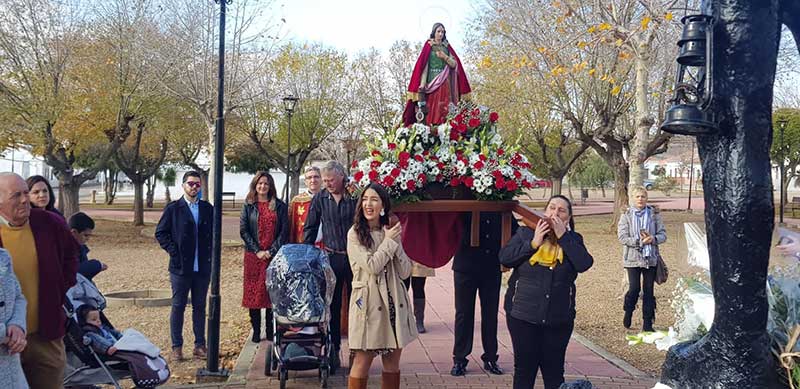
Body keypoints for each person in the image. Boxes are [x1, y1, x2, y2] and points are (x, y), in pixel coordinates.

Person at [499, 195, 593, 389]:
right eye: (552, 208)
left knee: (554, 373)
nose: (555, 213)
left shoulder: (574, 240)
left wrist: (563, 237)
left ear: (568, 218)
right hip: (523, 315)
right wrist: (533, 244)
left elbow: (584, 263)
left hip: (558, 319)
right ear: (544, 212)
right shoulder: (525, 233)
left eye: (561, 210)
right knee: (524, 372)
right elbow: (505, 258)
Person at [0, 172, 79, 389]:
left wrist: (57, 291)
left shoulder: (49, 223)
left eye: (26, 193)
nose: (25, 199)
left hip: (45, 336)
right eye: (16, 195)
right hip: (3, 341)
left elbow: (72, 257)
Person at [346, 183, 416, 389]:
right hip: (368, 304)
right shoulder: (355, 234)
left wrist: (395, 242)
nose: (369, 204)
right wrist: (389, 242)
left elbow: (405, 272)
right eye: (365, 199)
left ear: (383, 205)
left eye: (374, 199)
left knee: (392, 364)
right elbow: (372, 266)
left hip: (394, 303)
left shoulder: (389, 232)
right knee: (362, 361)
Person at [303, 160, 356, 371]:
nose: (327, 184)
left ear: (342, 177)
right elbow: (310, 227)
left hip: (355, 258)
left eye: (331, 180)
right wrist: (305, 254)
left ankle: (356, 348)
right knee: (332, 306)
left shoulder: (355, 194)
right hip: (332, 257)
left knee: (356, 304)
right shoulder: (320, 198)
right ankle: (333, 348)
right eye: (325, 181)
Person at [155, 171, 213, 361]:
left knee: (199, 306)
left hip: (202, 267)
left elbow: (214, 232)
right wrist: (174, 250)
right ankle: (177, 346)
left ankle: (199, 345)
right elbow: (161, 233)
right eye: (191, 184)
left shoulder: (207, 208)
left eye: (197, 184)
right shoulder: (174, 208)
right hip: (181, 267)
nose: (194, 187)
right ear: (183, 185)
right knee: (178, 306)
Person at [450, 212, 514, 376]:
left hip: (491, 265)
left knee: (490, 313)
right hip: (465, 265)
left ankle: (491, 357)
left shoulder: (499, 204)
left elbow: (514, 230)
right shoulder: (463, 203)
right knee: (463, 314)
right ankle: (460, 359)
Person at [239, 171, 288, 343]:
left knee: (270, 294)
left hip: (273, 257)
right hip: (254, 257)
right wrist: (257, 250)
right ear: (255, 185)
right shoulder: (248, 205)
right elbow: (244, 230)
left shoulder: (280, 206)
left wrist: (271, 251)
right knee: (253, 296)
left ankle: (269, 330)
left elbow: (283, 232)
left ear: (271, 186)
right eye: (260, 183)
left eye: (266, 183)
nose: (263, 186)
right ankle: (256, 330)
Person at [402, 22, 472, 127]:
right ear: (434, 32)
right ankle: (431, 126)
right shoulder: (429, 46)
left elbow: (454, 65)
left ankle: (444, 126)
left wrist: (445, 57)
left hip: (444, 81)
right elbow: (424, 65)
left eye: (442, 32)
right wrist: (422, 84)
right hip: (431, 81)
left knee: (444, 106)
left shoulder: (446, 47)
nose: (440, 34)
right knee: (431, 106)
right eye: (438, 31)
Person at [617, 187, 666, 332]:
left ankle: (648, 323)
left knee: (649, 290)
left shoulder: (654, 214)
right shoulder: (626, 215)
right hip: (632, 258)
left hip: (650, 258)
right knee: (634, 288)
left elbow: (663, 234)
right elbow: (622, 237)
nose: (640, 199)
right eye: (637, 196)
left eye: (643, 196)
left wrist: (653, 239)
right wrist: (639, 242)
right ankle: (629, 310)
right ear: (633, 198)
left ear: (647, 198)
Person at [0, 248, 29, 389]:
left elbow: (18, 296)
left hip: (11, 368)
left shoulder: (2, 256)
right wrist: (5, 335)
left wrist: (17, 326)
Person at [68, 212, 108, 281]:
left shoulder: (80, 248)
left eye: (89, 235)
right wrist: (97, 265)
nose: (88, 238)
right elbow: (73, 271)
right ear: (74, 232)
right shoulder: (62, 249)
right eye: (85, 235)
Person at [289, 165, 323, 245]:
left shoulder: (328, 198)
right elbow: (291, 228)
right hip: (303, 246)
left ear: (321, 179)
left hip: (326, 247)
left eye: (316, 177)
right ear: (305, 181)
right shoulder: (297, 202)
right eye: (309, 177)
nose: (313, 180)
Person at [402, 261, 434, 333]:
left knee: (418, 288)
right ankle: (402, 321)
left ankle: (419, 320)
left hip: (420, 256)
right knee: (402, 289)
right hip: (403, 255)